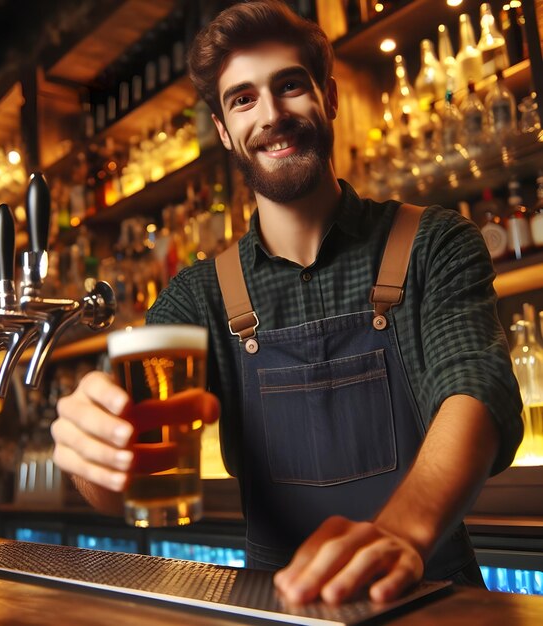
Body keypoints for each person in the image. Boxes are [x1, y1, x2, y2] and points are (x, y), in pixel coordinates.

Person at [51, 0, 523, 606]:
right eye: (242, 99)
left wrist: (400, 533)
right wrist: (96, 457)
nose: (270, 115)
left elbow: (476, 387)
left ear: (327, 96)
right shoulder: (198, 295)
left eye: (289, 86)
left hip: (434, 595)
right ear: (224, 131)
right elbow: (132, 458)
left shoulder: (434, 241)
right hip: (276, 606)